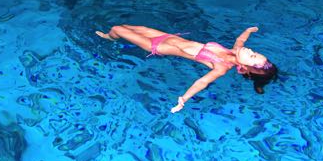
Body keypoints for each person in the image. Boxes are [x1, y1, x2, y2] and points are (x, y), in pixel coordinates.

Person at [94, 24, 278, 112]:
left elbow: (202, 82)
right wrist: (249, 31)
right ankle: (112, 36)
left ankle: (109, 38)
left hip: (156, 47)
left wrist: (183, 99)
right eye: (255, 51)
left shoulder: (222, 66)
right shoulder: (235, 51)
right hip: (165, 36)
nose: (250, 50)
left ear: (245, 68)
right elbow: (241, 40)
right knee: (127, 26)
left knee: (117, 29)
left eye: (252, 55)